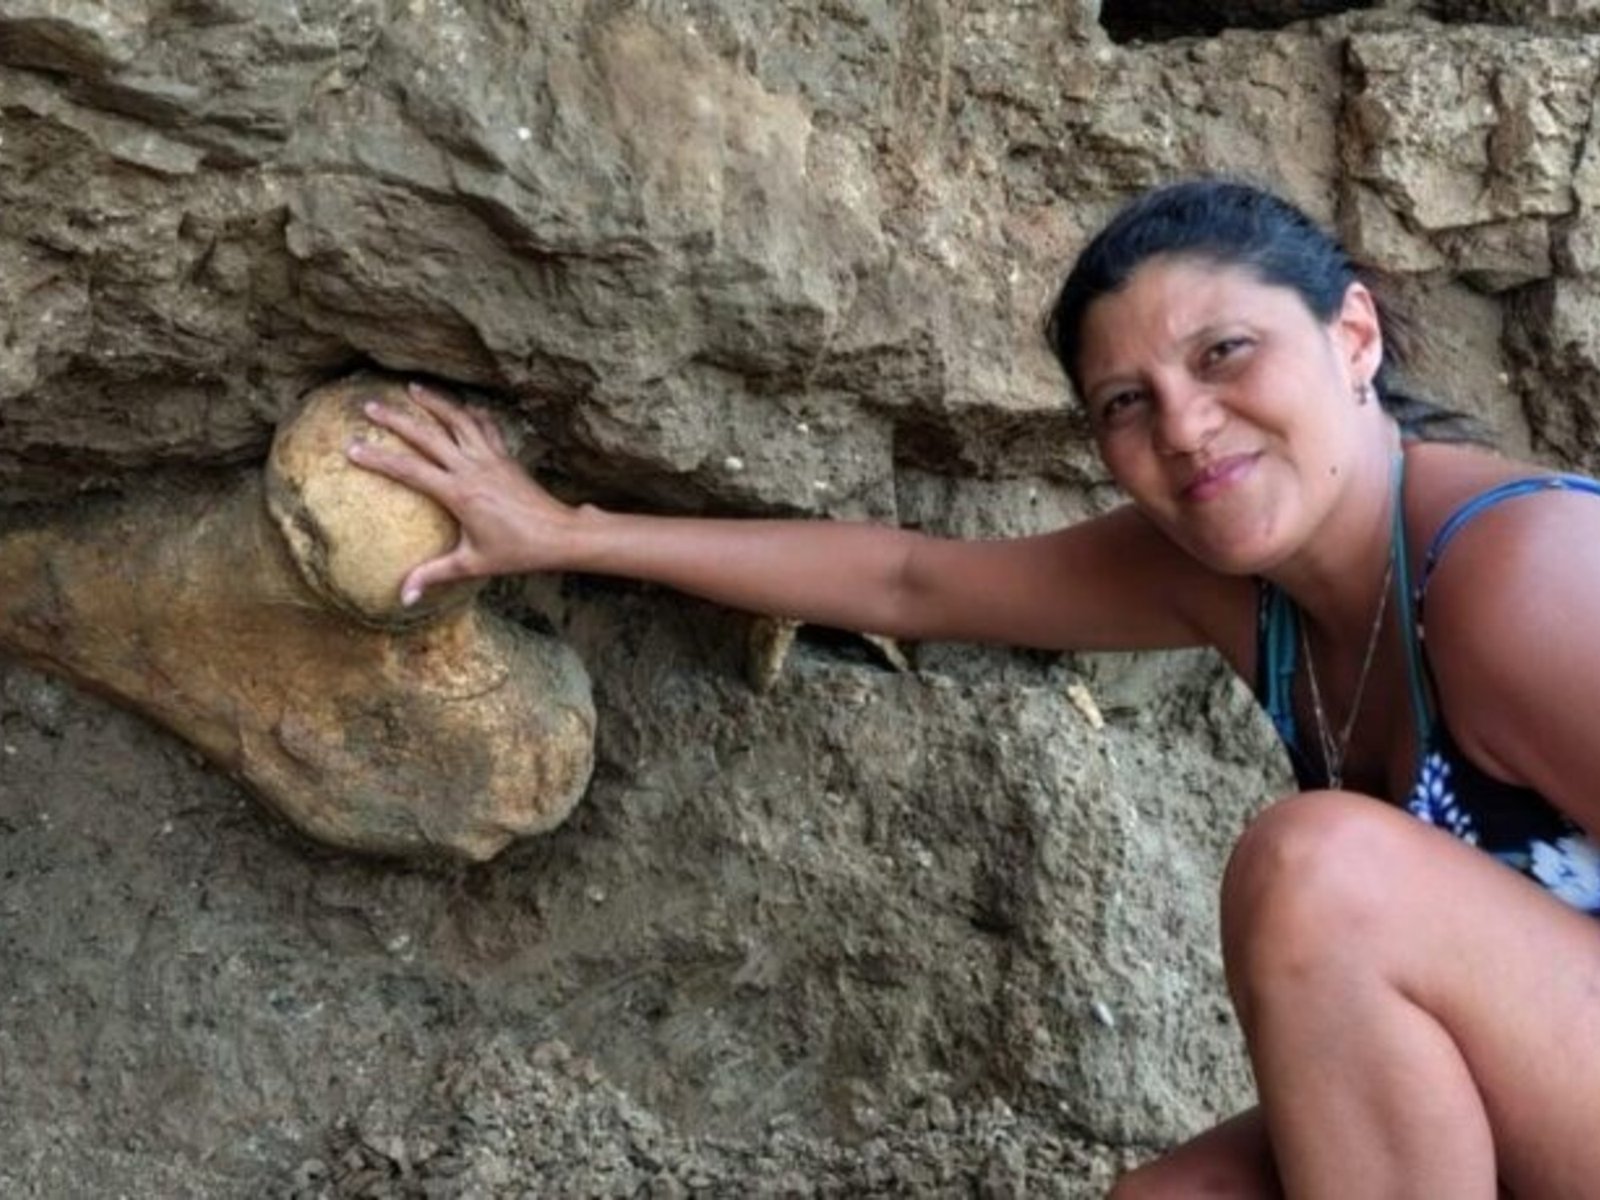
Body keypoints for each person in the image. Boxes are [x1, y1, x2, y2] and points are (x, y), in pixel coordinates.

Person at [347, 179, 1600, 1198]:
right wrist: (567, 534)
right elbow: (910, 585)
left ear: (1354, 336)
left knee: (1321, 873)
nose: (1186, 428)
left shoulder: (1517, 578)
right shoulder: (1239, 577)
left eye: (1227, 354)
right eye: (1127, 404)